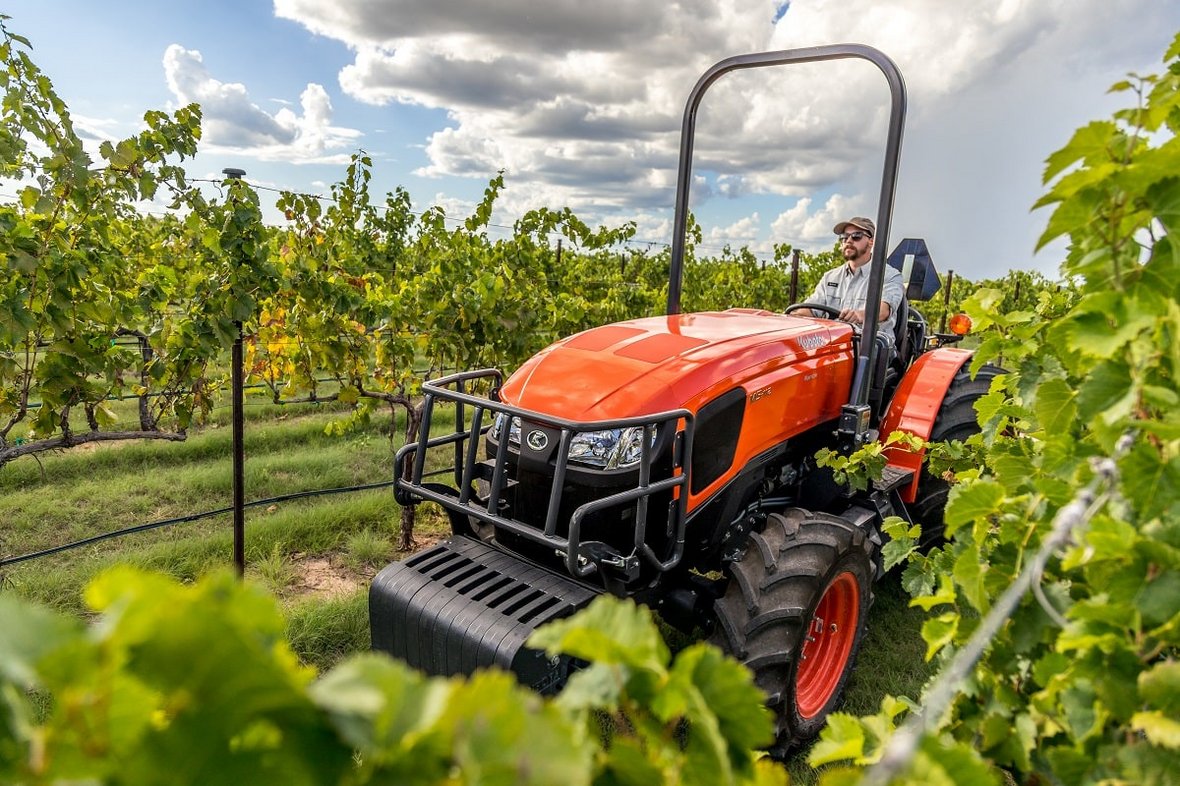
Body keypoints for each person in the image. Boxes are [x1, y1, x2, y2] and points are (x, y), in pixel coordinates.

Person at [805, 216, 904, 348]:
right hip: (834, 345)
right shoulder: (830, 277)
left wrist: (859, 315)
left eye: (856, 236)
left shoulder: (889, 276)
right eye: (845, 237)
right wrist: (794, 314)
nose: (849, 240)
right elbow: (811, 309)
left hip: (871, 347)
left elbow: (883, 310)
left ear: (871, 241)